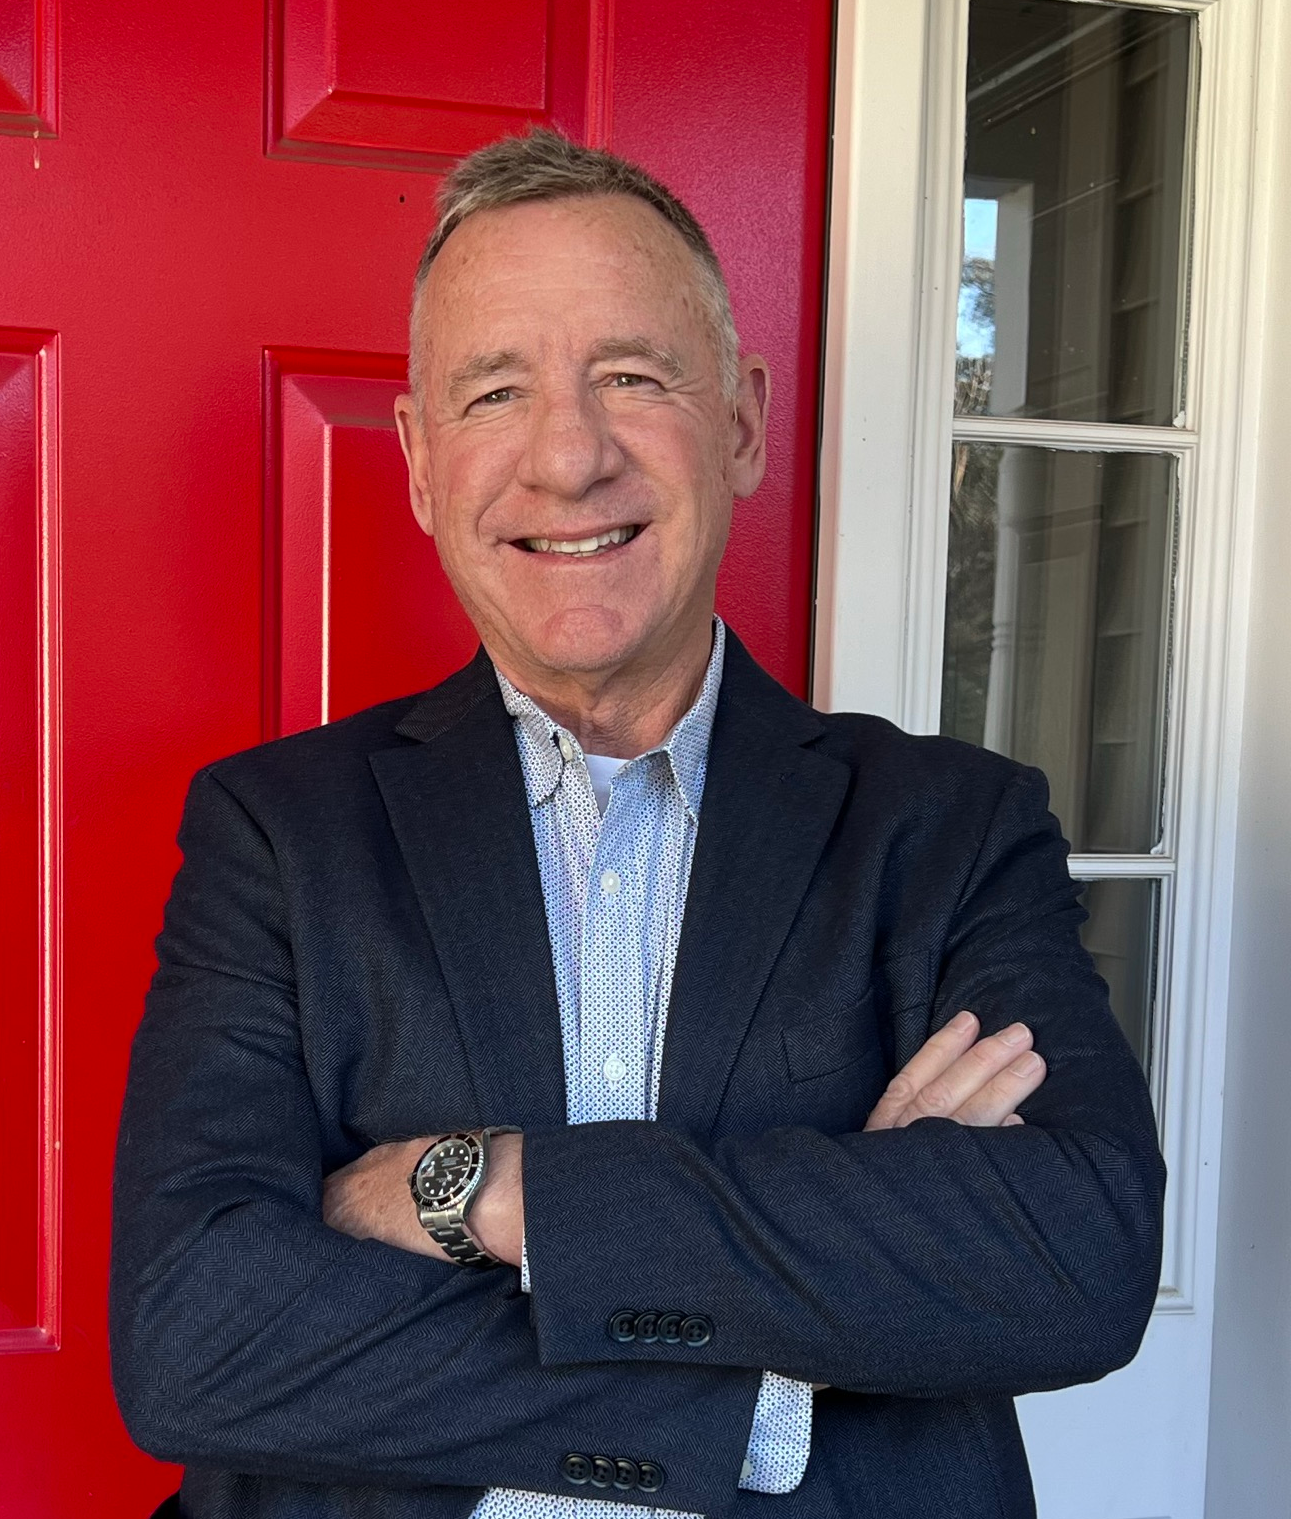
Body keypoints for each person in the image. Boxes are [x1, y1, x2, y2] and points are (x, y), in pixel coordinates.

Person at [110, 129, 1165, 1519]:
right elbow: (198, 1335)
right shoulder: (278, 834)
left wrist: (483, 1188)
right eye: (495, 391)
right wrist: (776, 1359)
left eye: (629, 375)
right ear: (422, 463)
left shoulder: (949, 829)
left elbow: (1068, 1253)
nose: (567, 455)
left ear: (738, 420)